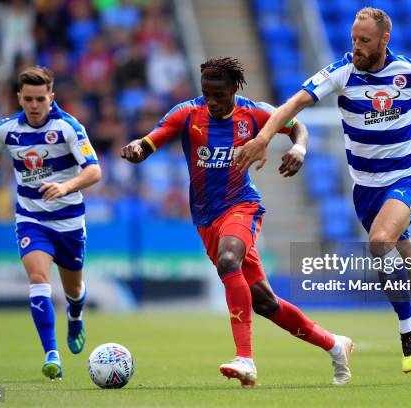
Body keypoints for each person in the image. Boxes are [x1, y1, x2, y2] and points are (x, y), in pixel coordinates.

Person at [234, 7, 411, 383]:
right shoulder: (341, 72)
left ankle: (408, 332)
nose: (357, 47)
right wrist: (264, 138)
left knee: (379, 242)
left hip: (406, 178)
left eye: (365, 41)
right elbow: (294, 103)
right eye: (353, 40)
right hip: (366, 189)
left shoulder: (408, 70)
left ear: (384, 40)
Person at [121, 57, 353, 387]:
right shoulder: (187, 114)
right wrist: (136, 149)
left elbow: (297, 126)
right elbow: (150, 141)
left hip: (242, 206)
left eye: (218, 95)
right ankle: (334, 344)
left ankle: (245, 358)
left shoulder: (254, 113)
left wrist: (299, 149)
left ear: (233, 89)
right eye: (206, 94)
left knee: (229, 259)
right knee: (264, 302)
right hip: (206, 218)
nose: (211, 102)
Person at [0, 66, 101, 380]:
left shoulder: (69, 127)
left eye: (40, 99)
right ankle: (51, 353)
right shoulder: (6, 129)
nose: (34, 105)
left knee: (73, 289)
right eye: (28, 99)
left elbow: (94, 170)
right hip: (31, 218)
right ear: (19, 98)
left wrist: (66, 186)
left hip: (69, 219)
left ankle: (75, 312)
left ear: (50, 97)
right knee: (38, 278)